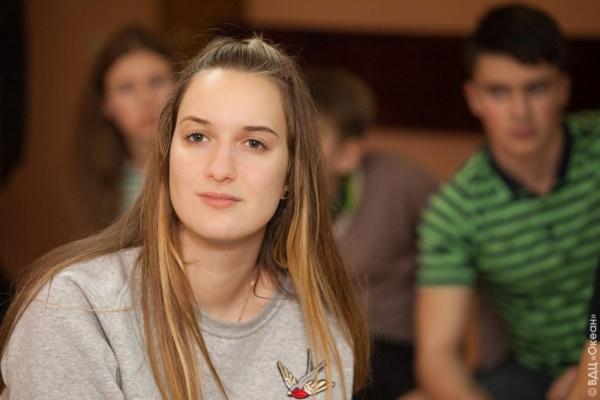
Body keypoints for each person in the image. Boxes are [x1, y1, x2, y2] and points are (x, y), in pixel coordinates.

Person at [0, 34, 370, 399]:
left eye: (254, 143)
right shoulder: (76, 309)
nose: (220, 169)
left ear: (290, 176)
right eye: (197, 137)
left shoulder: (321, 324)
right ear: (166, 157)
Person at [416, 4, 600, 400]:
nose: (520, 112)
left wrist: (588, 376)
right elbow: (437, 356)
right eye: (499, 91)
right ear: (474, 98)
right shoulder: (455, 210)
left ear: (563, 89)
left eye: (536, 88)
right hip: (535, 373)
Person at [308, 68, 438, 399]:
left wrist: (441, 373)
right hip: (311, 344)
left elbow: (459, 263)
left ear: (347, 153)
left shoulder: (403, 184)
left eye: (310, 140)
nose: (294, 152)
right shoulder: (266, 198)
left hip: (388, 346)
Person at [73, 26, 175, 234]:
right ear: (105, 105)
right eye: (126, 88)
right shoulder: (102, 180)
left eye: (156, 81)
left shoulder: (206, 168)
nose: (145, 99)